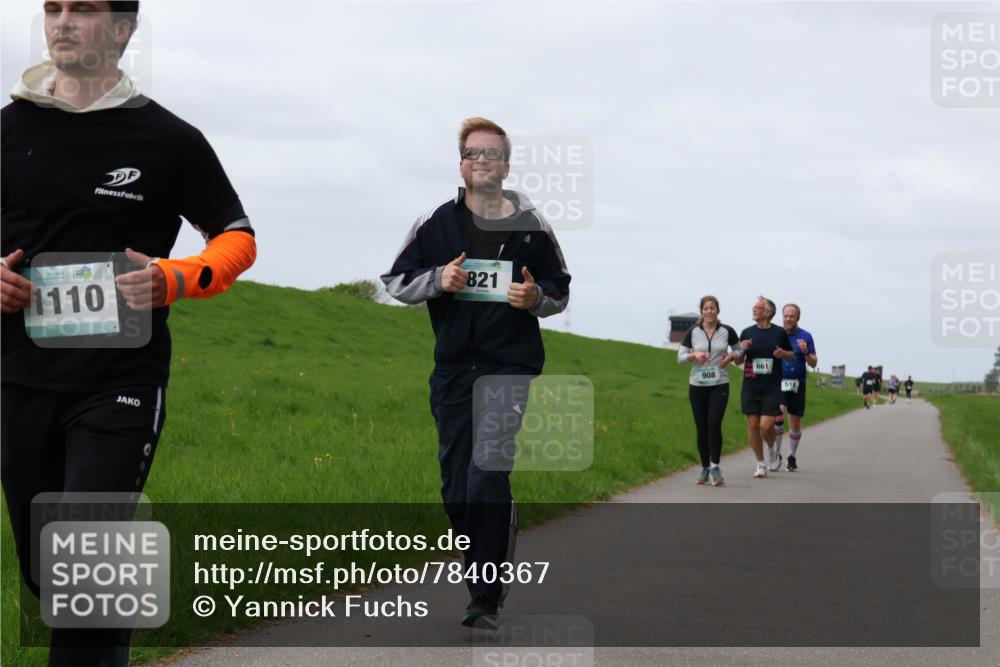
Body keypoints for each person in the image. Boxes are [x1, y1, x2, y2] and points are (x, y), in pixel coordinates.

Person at [1, 3, 257, 665]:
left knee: (84, 563)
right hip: (18, 375)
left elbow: (236, 235)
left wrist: (177, 277)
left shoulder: (167, 139)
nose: (62, 21)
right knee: (50, 571)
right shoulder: (8, 129)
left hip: (121, 377)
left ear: (121, 29)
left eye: (81, 9)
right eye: (53, 8)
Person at [381, 117, 571, 629]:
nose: (480, 161)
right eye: (471, 153)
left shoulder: (532, 225)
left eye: (491, 154)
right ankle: (481, 567)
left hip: (509, 366)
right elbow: (395, 281)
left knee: (487, 474)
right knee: (456, 488)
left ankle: (484, 597)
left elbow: (560, 289)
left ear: (506, 165)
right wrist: (437, 280)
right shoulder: (436, 221)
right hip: (452, 369)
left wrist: (536, 298)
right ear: (460, 163)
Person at [677, 295, 742, 487]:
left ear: (717, 310)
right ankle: (704, 468)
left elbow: (739, 351)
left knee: (714, 425)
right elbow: (679, 357)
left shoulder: (727, 331)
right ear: (701, 311)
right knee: (702, 428)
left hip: (720, 383)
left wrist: (730, 357)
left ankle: (715, 467)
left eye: (712, 308)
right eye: (706, 308)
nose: (709, 311)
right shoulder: (693, 332)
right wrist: (694, 354)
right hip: (697, 385)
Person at [738, 297, 794, 478]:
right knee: (753, 425)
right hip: (750, 385)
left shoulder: (779, 333)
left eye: (758, 307)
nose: (754, 310)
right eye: (754, 307)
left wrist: (782, 353)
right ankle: (760, 464)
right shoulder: (747, 332)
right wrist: (742, 349)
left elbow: (791, 355)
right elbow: (738, 359)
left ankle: (771, 449)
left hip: (771, 387)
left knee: (766, 425)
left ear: (768, 312)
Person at [774, 304, 816, 472]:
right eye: (786, 316)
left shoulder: (806, 336)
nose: (788, 319)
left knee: (794, 421)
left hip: (798, 383)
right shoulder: (776, 334)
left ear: (797, 318)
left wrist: (806, 352)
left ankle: (791, 456)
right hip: (778, 381)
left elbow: (813, 363)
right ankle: (776, 454)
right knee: (778, 414)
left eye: (792, 316)